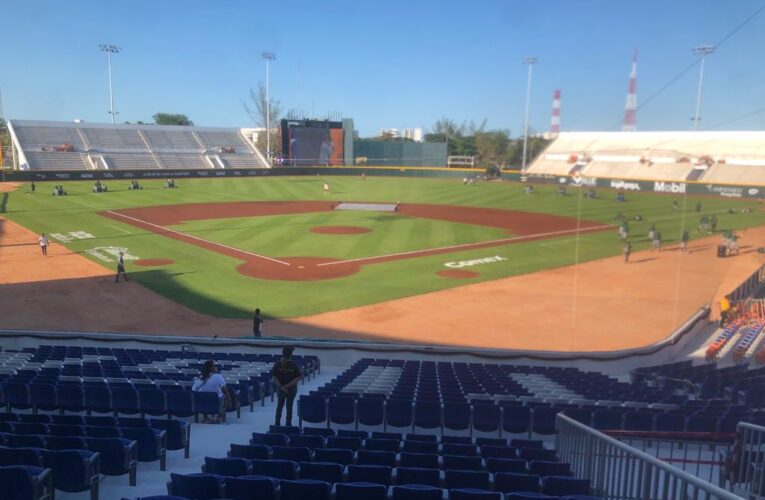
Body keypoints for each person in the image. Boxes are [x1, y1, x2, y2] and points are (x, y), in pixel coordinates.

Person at [272, 347, 302, 427]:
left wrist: (281, 386)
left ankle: (277, 423)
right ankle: (288, 424)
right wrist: (288, 386)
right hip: (291, 390)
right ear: (291, 354)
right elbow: (298, 377)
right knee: (289, 406)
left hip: (280, 389)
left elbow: (274, 377)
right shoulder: (294, 365)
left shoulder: (277, 364)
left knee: (279, 405)